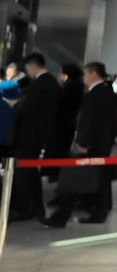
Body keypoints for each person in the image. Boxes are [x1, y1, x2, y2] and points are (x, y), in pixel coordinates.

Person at [39, 62, 117, 227]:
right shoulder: (102, 91)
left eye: (86, 73)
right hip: (97, 144)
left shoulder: (98, 92)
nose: (84, 77)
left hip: (91, 145)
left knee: (74, 179)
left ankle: (61, 217)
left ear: (93, 73)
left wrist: (83, 142)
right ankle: (96, 212)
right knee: (97, 179)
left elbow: (92, 121)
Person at [7, 53, 61, 221]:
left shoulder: (38, 84)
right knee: (31, 172)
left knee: (23, 172)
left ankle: (23, 209)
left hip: (28, 134)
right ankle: (36, 207)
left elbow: (29, 107)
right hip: (40, 133)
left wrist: (16, 104)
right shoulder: (52, 82)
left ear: (32, 65)